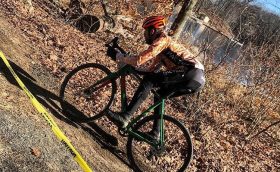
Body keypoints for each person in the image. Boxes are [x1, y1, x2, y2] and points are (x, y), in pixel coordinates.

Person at [108, 16, 205, 138]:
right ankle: (155, 134)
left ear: (152, 31)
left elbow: (139, 60)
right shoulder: (163, 48)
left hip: (190, 73)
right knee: (159, 94)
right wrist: (133, 68)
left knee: (150, 80)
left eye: (146, 31)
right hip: (197, 79)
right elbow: (150, 70)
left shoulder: (162, 41)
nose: (144, 35)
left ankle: (126, 116)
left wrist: (120, 56)